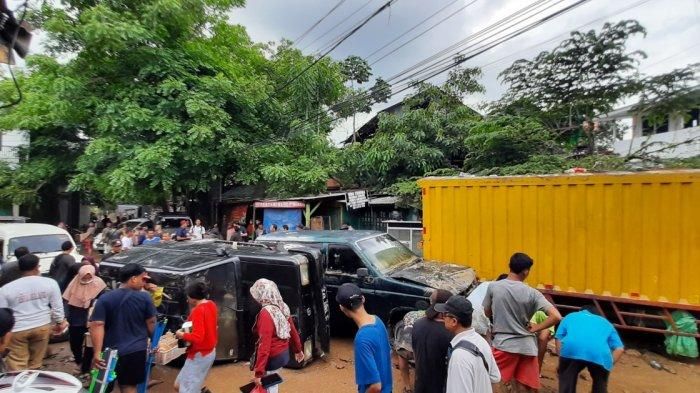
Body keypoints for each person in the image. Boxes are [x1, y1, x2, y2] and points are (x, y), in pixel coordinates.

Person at [483, 253, 562, 392]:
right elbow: (556, 316)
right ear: (526, 271)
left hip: (504, 345)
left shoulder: (494, 287)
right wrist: (536, 327)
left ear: (510, 267)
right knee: (524, 387)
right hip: (528, 348)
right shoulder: (533, 293)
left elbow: (486, 312)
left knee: (494, 381)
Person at [89, 263, 157, 393]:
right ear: (133, 279)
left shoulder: (105, 298)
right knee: (128, 387)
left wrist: (97, 352)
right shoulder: (145, 297)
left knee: (102, 386)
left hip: (109, 352)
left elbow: (97, 325)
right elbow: (151, 322)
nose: (144, 283)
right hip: (135, 351)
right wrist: (153, 340)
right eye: (143, 279)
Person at [0, 254, 67, 370]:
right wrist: (60, 322)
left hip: (17, 330)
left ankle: (18, 385)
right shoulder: (50, 283)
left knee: (17, 364)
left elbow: (3, 312)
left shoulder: (6, 289)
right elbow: (57, 306)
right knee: (36, 362)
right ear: (37, 267)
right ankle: (33, 383)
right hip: (42, 326)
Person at [437, 295, 500, 393]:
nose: (442, 317)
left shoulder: (459, 356)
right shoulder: (481, 341)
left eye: (444, 314)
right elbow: (495, 377)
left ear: (454, 321)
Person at [249, 279, 304, 393]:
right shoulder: (282, 306)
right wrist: (298, 350)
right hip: (283, 355)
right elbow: (293, 331)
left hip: (273, 358)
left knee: (269, 387)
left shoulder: (266, 313)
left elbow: (264, 345)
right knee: (273, 382)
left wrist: (259, 373)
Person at [336, 283, 392, 393]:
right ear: (363, 299)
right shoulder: (378, 320)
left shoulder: (362, 339)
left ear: (342, 308)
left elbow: (376, 386)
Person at [555, 305, 624, 393]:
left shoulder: (570, 316)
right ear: (598, 315)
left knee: (567, 379)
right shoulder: (607, 323)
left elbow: (559, 338)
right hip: (599, 354)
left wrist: (563, 362)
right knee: (600, 385)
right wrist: (607, 365)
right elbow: (620, 349)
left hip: (572, 349)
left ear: (580, 311)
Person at [174, 281, 218, 393]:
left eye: (188, 297)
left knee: (186, 390)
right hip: (209, 352)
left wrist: (181, 334)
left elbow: (198, 337)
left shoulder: (198, 310)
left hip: (199, 355)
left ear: (194, 299)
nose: (187, 300)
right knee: (178, 385)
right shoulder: (211, 304)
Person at [63, 265, 106, 375]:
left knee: (90, 345)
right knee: (75, 343)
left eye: (89, 277)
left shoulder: (99, 284)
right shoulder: (74, 283)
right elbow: (66, 300)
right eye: (84, 277)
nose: (86, 280)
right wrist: (65, 317)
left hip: (91, 318)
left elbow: (102, 301)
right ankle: (79, 361)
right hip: (76, 318)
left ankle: (85, 367)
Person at [411, 289, 454, 393]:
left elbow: (416, 355)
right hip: (441, 387)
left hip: (421, 385)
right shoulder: (450, 332)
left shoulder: (417, 324)